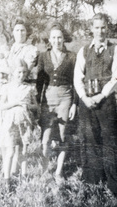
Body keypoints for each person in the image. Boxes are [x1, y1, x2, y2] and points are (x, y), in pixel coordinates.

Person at [73, 13, 117, 195]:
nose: (100, 31)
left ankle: (115, 187)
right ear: (91, 29)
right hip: (86, 102)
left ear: (106, 28)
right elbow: (77, 78)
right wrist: (85, 98)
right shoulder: (84, 51)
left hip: (106, 102)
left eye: (103, 27)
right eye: (96, 27)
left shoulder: (115, 50)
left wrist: (101, 95)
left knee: (109, 141)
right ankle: (93, 182)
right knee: (89, 139)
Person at [36, 21, 77, 182]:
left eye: (59, 37)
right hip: (48, 97)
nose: (57, 41)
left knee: (62, 135)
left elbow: (76, 83)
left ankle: (59, 172)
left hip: (66, 97)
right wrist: (38, 104)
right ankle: (45, 170)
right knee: (45, 138)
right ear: (49, 39)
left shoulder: (72, 57)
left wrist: (74, 103)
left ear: (64, 38)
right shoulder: (43, 56)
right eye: (53, 37)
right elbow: (39, 83)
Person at [0, 59, 38, 189]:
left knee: (23, 151)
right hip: (11, 123)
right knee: (10, 151)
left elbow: (36, 106)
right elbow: (2, 106)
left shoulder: (29, 88)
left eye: (24, 72)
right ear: (13, 72)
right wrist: (15, 103)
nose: (21, 75)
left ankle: (24, 176)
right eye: (19, 72)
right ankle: (7, 179)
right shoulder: (7, 87)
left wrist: (29, 106)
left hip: (25, 123)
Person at [7, 17, 38, 83]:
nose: (20, 33)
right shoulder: (9, 48)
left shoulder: (32, 50)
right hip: (8, 85)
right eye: (17, 30)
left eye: (22, 30)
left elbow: (26, 71)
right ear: (13, 32)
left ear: (27, 32)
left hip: (24, 84)